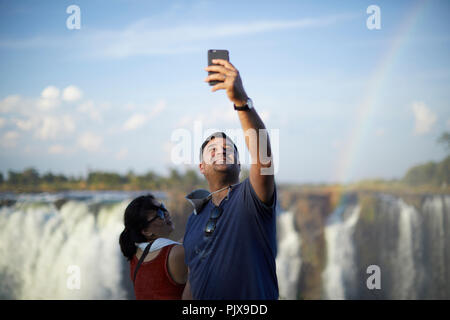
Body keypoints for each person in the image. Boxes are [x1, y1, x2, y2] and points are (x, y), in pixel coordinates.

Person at [182, 58, 278, 299]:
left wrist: (241, 103)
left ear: (238, 163)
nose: (221, 150)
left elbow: (263, 157)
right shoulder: (193, 220)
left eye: (228, 149)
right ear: (202, 167)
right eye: (212, 150)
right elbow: (192, 280)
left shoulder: (251, 198)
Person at [119, 194, 188, 299]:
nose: (166, 213)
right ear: (146, 231)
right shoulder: (177, 253)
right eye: (159, 214)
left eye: (163, 207)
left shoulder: (136, 255)